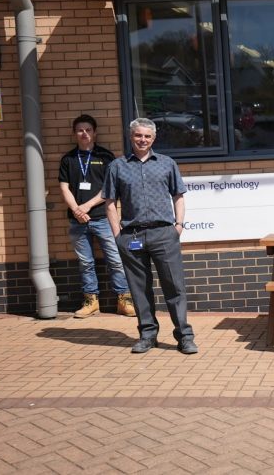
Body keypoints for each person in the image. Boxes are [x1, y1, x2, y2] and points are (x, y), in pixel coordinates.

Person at [102, 118, 197, 355]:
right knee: (139, 289)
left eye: (147, 136)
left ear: (153, 139)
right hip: (131, 236)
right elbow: (110, 203)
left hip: (164, 234)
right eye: (138, 136)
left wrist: (178, 225)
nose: (142, 140)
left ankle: (184, 336)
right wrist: (117, 235)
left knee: (174, 287)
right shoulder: (117, 166)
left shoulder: (166, 164)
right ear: (131, 137)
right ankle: (147, 335)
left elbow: (179, 196)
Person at [57, 114, 134, 318]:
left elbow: (110, 188)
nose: (84, 134)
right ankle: (91, 301)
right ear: (74, 134)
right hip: (77, 220)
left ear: (95, 132)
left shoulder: (106, 157)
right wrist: (76, 210)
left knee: (116, 260)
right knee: (86, 263)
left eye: (88, 130)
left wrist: (86, 206)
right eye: (80, 130)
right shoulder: (68, 159)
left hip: (102, 218)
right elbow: (64, 188)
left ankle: (124, 300)